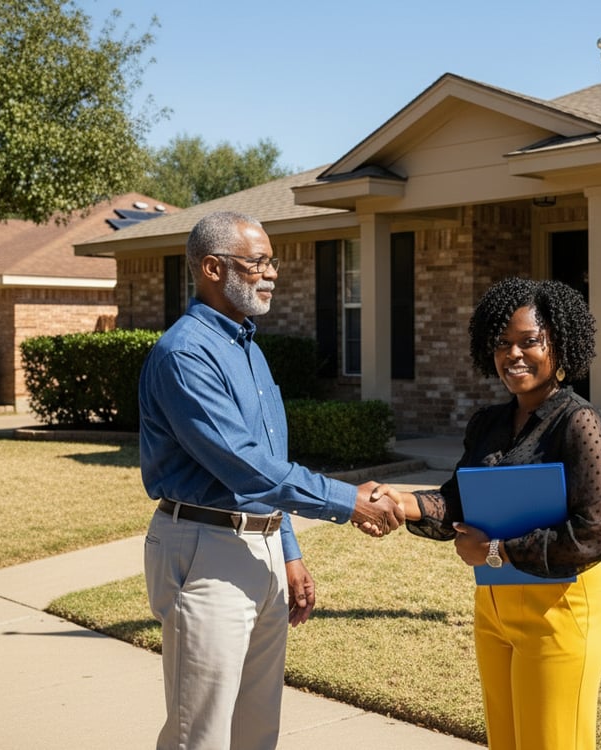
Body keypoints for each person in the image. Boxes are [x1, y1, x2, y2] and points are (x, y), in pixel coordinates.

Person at [139, 210, 405, 750]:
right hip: (205, 550)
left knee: (257, 731)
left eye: (271, 261)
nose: (271, 273)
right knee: (201, 735)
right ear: (213, 268)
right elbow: (244, 465)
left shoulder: (249, 350)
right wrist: (346, 501)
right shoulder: (185, 354)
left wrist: (287, 550)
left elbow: (269, 463)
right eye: (257, 261)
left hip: (259, 547)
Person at [374, 276, 601, 750]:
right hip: (494, 609)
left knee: (553, 743)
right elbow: (457, 501)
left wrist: (495, 551)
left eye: (530, 342)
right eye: (503, 344)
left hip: (561, 608)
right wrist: (400, 504)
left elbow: (595, 533)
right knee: (505, 742)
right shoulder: (487, 423)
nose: (514, 355)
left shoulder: (579, 422)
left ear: (560, 345)